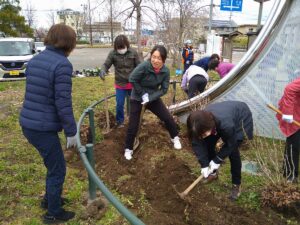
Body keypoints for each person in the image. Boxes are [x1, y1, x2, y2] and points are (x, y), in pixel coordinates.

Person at [19, 24, 77, 223]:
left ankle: (49, 200)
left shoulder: (35, 60)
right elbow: (63, 103)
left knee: (52, 164)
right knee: (58, 168)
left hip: (29, 123)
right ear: (68, 43)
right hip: (41, 127)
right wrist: (72, 131)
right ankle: (53, 213)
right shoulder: (62, 65)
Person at [124, 45, 182, 160]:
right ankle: (128, 148)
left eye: (159, 58)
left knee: (167, 117)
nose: (155, 60)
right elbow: (132, 79)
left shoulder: (165, 71)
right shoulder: (144, 66)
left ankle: (175, 137)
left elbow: (164, 89)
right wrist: (142, 94)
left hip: (152, 97)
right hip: (137, 97)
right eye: (154, 57)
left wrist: (150, 98)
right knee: (133, 125)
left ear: (163, 60)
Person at [186, 101, 253, 200]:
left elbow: (231, 144)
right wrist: (204, 165)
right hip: (220, 118)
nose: (202, 137)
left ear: (210, 126)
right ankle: (212, 174)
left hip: (240, 116)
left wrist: (217, 159)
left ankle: (236, 184)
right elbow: (198, 144)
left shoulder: (226, 125)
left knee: (233, 152)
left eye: (203, 134)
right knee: (208, 144)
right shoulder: (198, 124)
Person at [100, 35, 141, 127]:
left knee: (134, 104)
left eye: (123, 47)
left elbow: (139, 66)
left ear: (127, 45)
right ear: (116, 47)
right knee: (119, 104)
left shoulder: (133, 52)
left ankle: (134, 120)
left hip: (132, 83)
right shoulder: (113, 53)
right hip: (120, 84)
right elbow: (106, 64)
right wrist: (103, 70)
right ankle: (120, 122)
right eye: (119, 48)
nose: (121, 49)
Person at [276, 77, 300, 183]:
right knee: (294, 143)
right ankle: (290, 174)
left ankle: (288, 170)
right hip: (293, 112)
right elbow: (289, 89)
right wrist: (288, 112)